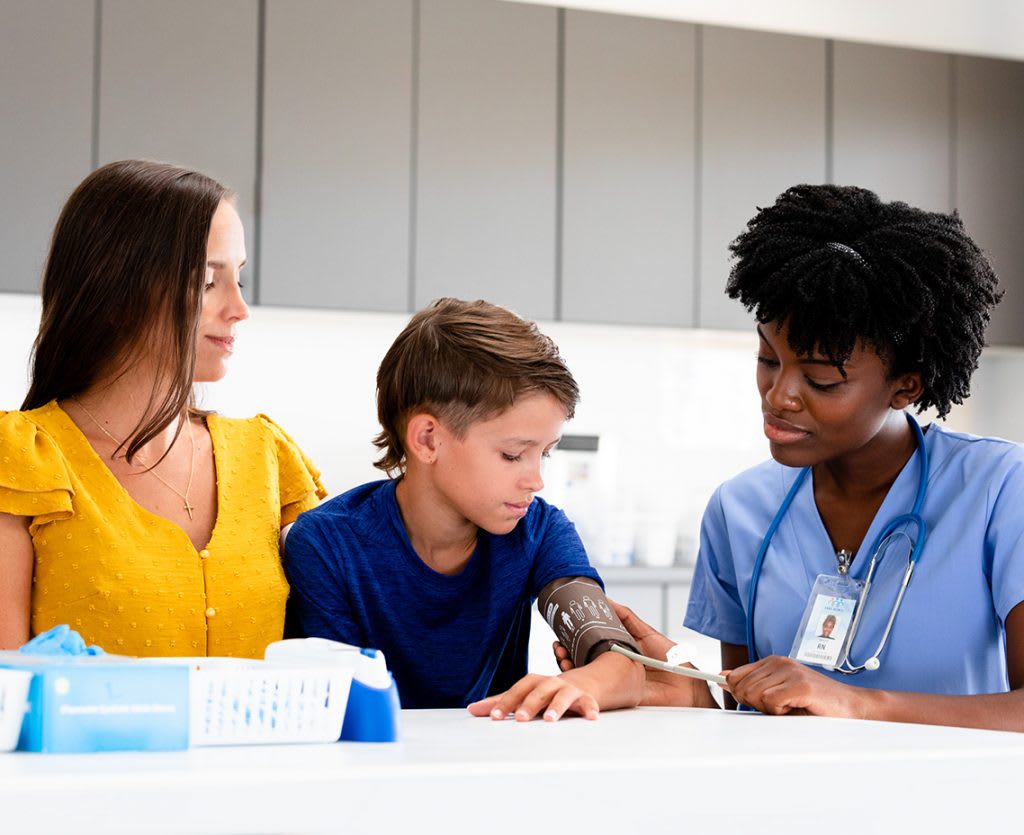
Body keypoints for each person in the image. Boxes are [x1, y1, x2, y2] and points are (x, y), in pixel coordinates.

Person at [558, 184, 1024, 731]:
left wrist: (857, 703)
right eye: (767, 358)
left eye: (822, 379)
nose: (779, 395)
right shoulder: (739, 510)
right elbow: (754, 716)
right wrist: (698, 693)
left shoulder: (999, 490)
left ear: (905, 387)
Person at [0, 160, 325, 657]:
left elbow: (377, 615)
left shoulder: (267, 457)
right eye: (206, 282)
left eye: (240, 279)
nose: (239, 308)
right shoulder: (22, 458)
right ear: (117, 293)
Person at [283, 298, 643, 720]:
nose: (536, 480)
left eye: (544, 454)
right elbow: (341, 704)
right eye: (513, 455)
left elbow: (624, 666)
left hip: (486, 769)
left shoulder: (539, 529)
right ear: (428, 440)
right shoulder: (326, 544)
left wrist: (580, 682)